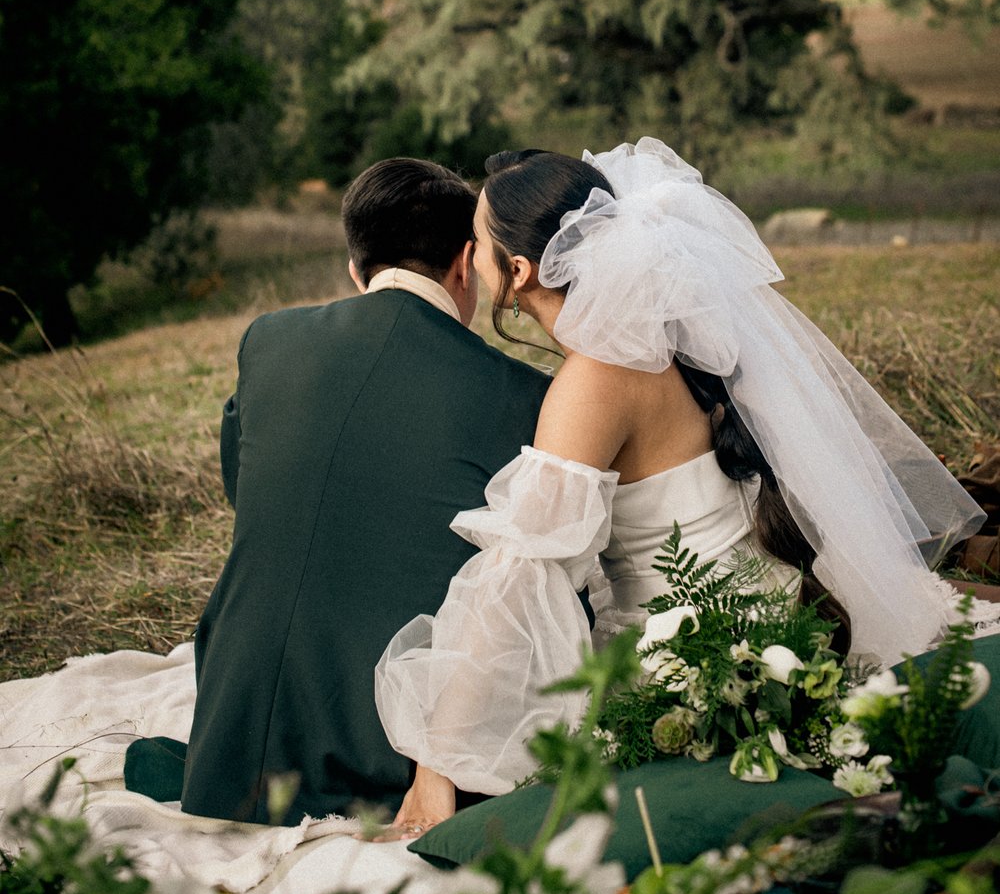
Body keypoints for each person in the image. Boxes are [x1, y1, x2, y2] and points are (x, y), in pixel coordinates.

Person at [375, 138, 995, 834]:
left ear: (516, 272)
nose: (470, 251)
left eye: (477, 239)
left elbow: (521, 575)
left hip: (694, 667)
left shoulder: (595, 376)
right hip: (784, 624)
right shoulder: (676, 336)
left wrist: (437, 767)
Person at [179, 157, 550, 825]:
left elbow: (245, 483)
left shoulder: (267, 340)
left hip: (233, 727)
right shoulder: (523, 393)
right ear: (467, 262)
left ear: (357, 267)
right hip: (391, 740)